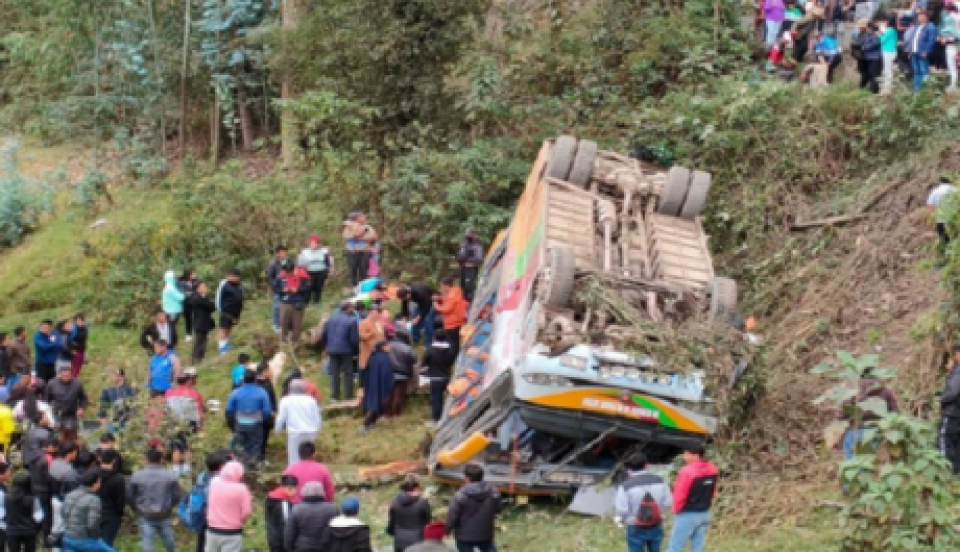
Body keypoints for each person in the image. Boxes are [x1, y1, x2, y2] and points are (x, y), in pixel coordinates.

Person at [664, 445, 719, 552]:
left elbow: (680, 494)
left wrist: (676, 510)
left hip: (687, 513)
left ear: (695, 455)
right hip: (704, 513)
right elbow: (714, 491)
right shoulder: (713, 468)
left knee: (674, 547)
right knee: (697, 547)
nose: (684, 456)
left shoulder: (687, 471)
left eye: (686, 453)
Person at [615, 452, 674, 552]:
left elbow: (622, 509)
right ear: (647, 466)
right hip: (655, 523)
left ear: (629, 469)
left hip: (635, 526)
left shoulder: (625, 486)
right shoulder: (660, 481)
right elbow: (668, 502)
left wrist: (626, 519)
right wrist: (658, 512)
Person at [838, 369, 899, 460]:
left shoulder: (850, 391)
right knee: (873, 465)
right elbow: (895, 414)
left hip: (854, 432)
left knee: (852, 467)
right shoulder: (885, 391)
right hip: (876, 432)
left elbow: (841, 416)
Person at [128, 448, 180, 552]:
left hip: (144, 513)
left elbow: (130, 496)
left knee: (147, 542)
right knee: (169, 541)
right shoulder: (170, 475)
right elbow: (176, 495)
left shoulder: (137, 475)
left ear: (146, 460)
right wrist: (169, 506)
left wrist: (136, 508)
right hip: (164, 514)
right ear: (161, 460)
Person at [445, 464, 500, 552]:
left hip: (464, 536)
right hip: (485, 533)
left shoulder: (460, 495)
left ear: (467, 478)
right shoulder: (493, 492)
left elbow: (452, 516)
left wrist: (447, 530)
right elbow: (497, 509)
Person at [225, 369, 272, 466]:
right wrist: (261, 419)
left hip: (240, 422)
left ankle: (241, 469)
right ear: (255, 379)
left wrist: (236, 418)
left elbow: (229, 410)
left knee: (240, 447)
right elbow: (267, 411)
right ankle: (253, 470)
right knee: (255, 447)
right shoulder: (262, 392)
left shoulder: (236, 392)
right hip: (256, 423)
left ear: (243, 379)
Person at [205, 460, 252, 552]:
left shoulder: (214, 482)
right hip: (232, 532)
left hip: (212, 530)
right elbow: (246, 512)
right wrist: (241, 521)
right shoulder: (242, 489)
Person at [62, 469, 113, 552]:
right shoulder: (94, 500)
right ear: (95, 484)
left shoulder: (69, 495)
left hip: (67, 537)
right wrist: (95, 537)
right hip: (84, 540)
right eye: (99, 482)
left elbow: (63, 513)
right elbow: (92, 524)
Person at [283, 481, 340, 552]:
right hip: (326, 547)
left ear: (304, 492)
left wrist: (289, 548)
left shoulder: (296, 509)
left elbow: (289, 533)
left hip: (302, 548)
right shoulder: (333, 509)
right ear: (322, 493)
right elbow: (338, 532)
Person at [275, 380, 321, 467]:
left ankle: (295, 475)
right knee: (309, 455)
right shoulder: (311, 400)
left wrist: (278, 430)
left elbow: (281, 418)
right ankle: (309, 473)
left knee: (294, 457)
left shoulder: (286, 400)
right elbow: (317, 418)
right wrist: (316, 430)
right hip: (310, 432)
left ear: (290, 389)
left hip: (295, 433)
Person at [320, 301, 360, 401]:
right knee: (348, 373)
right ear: (348, 308)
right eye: (352, 308)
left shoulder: (330, 319)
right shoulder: (352, 320)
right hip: (346, 350)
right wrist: (356, 351)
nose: (353, 309)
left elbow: (324, 334)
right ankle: (348, 395)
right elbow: (354, 339)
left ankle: (334, 396)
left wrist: (326, 347)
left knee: (335, 373)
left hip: (332, 349)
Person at [421, 330, 456, 426]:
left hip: (435, 378)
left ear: (434, 338)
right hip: (446, 377)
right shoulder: (450, 350)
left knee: (436, 399)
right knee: (449, 398)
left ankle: (436, 419)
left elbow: (424, 364)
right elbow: (451, 362)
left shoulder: (430, 350)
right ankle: (447, 417)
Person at [387, 475, 432, 552]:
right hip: (417, 541)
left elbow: (392, 522)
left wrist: (394, 533)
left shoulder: (394, 502)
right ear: (416, 489)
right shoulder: (422, 503)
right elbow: (428, 522)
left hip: (399, 540)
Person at [274, 259, 312, 345]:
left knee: (297, 324)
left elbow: (308, 288)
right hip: (285, 302)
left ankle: (295, 342)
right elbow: (275, 288)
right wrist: (282, 290)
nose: (288, 273)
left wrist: (298, 289)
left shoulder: (303, 275)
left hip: (298, 302)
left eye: (290, 271)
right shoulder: (281, 276)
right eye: (286, 271)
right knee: (283, 322)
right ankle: (283, 340)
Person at [360, 341, 394, 434]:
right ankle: (364, 426)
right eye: (387, 346)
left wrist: (364, 385)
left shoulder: (373, 357)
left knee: (373, 405)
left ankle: (371, 423)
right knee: (374, 406)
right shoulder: (385, 358)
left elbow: (365, 372)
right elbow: (387, 374)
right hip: (380, 385)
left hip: (371, 385)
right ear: (383, 347)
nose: (389, 347)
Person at [6, 470, 43, 552]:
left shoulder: (6, 497)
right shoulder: (33, 499)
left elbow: (3, 514)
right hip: (29, 531)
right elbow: (39, 517)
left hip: (12, 531)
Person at [95, 450, 125, 547]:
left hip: (94, 511)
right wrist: (120, 514)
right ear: (114, 461)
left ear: (100, 459)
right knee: (107, 543)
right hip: (112, 514)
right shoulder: (118, 479)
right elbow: (120, 501)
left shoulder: (93, 474)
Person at [434, 278, 467, 360]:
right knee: (455, 340)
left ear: (446, 285)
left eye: (442, 286)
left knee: (451, 341)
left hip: (452, 322)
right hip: (458, 320)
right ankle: (455, 355)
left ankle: (451, 357)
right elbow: (448, 299)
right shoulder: (456, 291)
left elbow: (446, 309)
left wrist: (437, 306)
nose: (441, 288)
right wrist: (439, 298)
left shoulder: (451, 295)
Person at [386, 330, 417, 419]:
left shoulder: (388, 345)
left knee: (388, 395)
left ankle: (386, 414)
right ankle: (396, 414)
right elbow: (414, 359)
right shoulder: (407, 348)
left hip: (388, 373)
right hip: (403, 374)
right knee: (398, 395)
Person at [343, 212, 378, 287]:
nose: (364, 218)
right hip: (352, 252)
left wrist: (361, 235)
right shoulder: (348, 227)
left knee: (364, 270)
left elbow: (374, 236)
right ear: (357, 218)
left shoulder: (367, 227)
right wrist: (359, 234)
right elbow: (347, 236)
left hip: (365, 252)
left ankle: (364, 288)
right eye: (362, 216)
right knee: (353, 270)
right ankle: (355, 288)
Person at [265, 475, 298, 552]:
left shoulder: (272, 497)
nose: (295, 492)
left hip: (272, 536)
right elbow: (286, 524)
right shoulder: (283, 503)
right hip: (282, 542)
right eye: (292, 489)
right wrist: (289, 544)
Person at [906, 10, 937, 90]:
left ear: (926, 17)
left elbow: (931, 41)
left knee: (924, 71)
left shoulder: (931, 27)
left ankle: (925, 89)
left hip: (922, 52)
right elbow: (913, 39)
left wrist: (926, 51)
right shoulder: (917, 26)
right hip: (914, 52)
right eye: (919, 16)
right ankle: (916, 89)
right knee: (916, 71)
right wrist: (910, 50)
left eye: (921, 16)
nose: (919, 18)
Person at [215, 269, 244, 354]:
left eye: (235, 276)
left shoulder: (238, 285)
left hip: (235, 312)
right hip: (226, 312)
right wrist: (221, 310)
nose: (233, 278)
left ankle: (226, 343)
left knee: (230, 327)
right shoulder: (224, 285)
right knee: (223, 329)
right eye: (231, 276)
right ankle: (221, 346)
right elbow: (218, 299)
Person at [299, 235, 333, 305]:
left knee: (318, 287)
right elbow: (300, 263)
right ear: (309, 244)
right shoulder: (305, 252)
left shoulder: (324, 251)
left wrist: (329, 270)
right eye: (312, 243)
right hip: (309, 272)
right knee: (309, 287)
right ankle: (306, 302)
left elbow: (328, 262)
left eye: (315, 243)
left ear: (318, 244)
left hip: (321, 271)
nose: (314, 245)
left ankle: (316, 302)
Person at [189, 280, 217, 364]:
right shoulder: (198, 298)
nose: (205, 288)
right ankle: (196, 361)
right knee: (200, 342)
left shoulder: (201, 297)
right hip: (200, 323)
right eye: (203, 286)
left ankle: (198, 360)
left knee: (202, 341)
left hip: (202, 323)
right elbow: (211, 306)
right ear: (198, 289)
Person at [927, 176, 958, 251]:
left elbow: (930, 208)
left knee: (945, 241)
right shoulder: (956, 190)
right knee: (955, 240)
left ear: (940, 182)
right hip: (954, 220)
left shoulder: (935, 191)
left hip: (940, 221)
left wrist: (932, 221)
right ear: (950, 181)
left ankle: (947, 257)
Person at [256, 364, 279, 460]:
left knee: (265, 435)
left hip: (269, 413)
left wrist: (275, 409)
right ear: (264, 371)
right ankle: (260, 457)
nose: (271, 372)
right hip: (261, 414)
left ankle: (262, 453)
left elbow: (272, 396)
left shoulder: (267, 381)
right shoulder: (257, 383)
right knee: (260, 436)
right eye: (269, 370)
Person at [455, 230, 484, 303]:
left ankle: (471, 303)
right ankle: (463, 304)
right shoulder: (464, 243)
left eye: (470, 234)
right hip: (463, 267)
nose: (468, 236)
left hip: (471, 268)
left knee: (469, 287)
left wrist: (467, 259)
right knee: (462, 287)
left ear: (474, 235)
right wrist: (459, 258)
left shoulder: (477, 245)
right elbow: (460, 254)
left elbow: (479, 258)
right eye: (467, 234)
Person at [267, 246, 290, 334]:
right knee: (276, 307)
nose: (284, 254)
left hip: (288, 288)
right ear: (277, 254)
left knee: (286, 307)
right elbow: (269, 277)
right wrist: (276, 286)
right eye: (282, 252)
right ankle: (275, 324)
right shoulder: (273, 263)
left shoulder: (289, 262)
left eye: (285, 252)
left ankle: (285, 324)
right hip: (278, 289)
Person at [856, 22, 882, 93]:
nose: (866, 29)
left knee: (873, 74)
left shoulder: (876, 35)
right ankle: (863, 88)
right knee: (866, 74)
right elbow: (861, 43)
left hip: (875, 58)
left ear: (870, 28)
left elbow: (875, 44)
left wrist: (864, 47)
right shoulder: (866, 35)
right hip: (867, 58)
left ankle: (874, 91)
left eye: (867, 28)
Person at [359, 307, 386, 373]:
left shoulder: (379, 323)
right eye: (376, 313)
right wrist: (372, 333)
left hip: (380, 351)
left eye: (378, 313)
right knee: (368, 370)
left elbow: (383, 336)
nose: (378, 315)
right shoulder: (363, 323)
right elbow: (362, 336)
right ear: (370, 313)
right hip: (369, 351)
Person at [162, 270, 186, 337]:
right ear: (170, 278)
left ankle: (170, 341)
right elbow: (181, 298)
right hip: (172, 311)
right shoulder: (170, 288)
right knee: (171, 327)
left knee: (170, 326)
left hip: (169, 310)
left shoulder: (169, 286)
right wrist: (185, 294)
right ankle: (170, 342)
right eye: (174, 277)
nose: (176, 278)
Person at [941, 5, 960, 92]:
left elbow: (955, 37)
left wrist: (945, 40)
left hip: (952, 47)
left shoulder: (951, 19)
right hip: (954, 47)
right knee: (954, 67)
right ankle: (953, 85)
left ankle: (953, 86)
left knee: (952, 68)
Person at [879, 17, 899, 94]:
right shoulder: (892, 30)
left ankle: (887, 88)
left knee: (887, 70)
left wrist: (880, 33)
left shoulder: (890, 30)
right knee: (886, 69)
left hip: (888, 51)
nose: (882, 22)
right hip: (889, 51)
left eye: (884, 21)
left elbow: (881, 40)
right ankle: (886, 86)